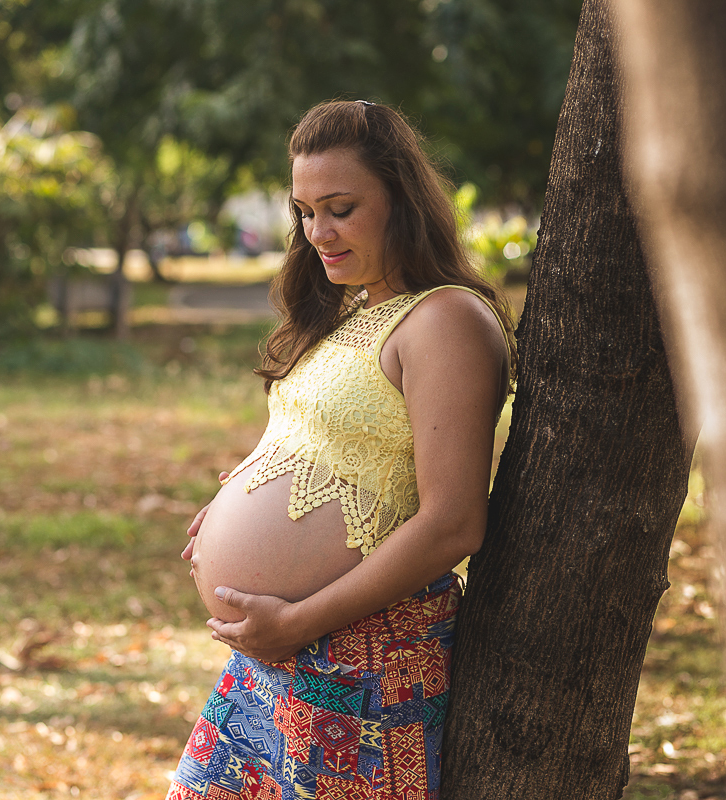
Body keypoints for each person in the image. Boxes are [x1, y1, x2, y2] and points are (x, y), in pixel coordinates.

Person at [168, 99, 517, 800]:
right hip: (280, 661)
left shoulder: (444, 320)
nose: (316, 232)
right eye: (304, 210)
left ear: (401, 200)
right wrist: (232, 498)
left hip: (362, 666)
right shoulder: (352, 310)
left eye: (340, 208)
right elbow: (320, 439)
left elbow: (454, 522)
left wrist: (294, 621)